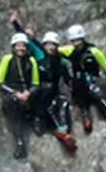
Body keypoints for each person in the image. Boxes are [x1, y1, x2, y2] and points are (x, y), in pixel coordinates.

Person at [8, 10, 76, 151]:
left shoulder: (61, 61)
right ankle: (46, 123)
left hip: (52, 93)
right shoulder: (39, 54)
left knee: (61, 104)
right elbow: (26, 40)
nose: (51, 47)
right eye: (48, 44)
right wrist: (15, 22)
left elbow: (68, 80)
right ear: (44, 45)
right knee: (44, 104)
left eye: (54, 45)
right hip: (38, 92)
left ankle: (63, 131)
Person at [59, 22, 106, 156]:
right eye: (73, 41)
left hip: (94, 82)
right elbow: (49, 49)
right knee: (77, 88)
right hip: (80, 85)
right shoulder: (69, 51)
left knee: (100, 99)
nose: (76, 43)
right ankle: (85, 114)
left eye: (78, 40)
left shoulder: (94, 51)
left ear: (83, 38)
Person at [0, 33, 40, 159]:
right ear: (13, 47)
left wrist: (29, 92)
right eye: (18, 46)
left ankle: (35, 120)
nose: (21, 49)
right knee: (15, 103)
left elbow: (36, 83)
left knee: (37, 97)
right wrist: (15, 93)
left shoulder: (31, 61)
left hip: (26, 93)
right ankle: (19, 142)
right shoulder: (7, 59)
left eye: (23, 46)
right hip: (12, 93)